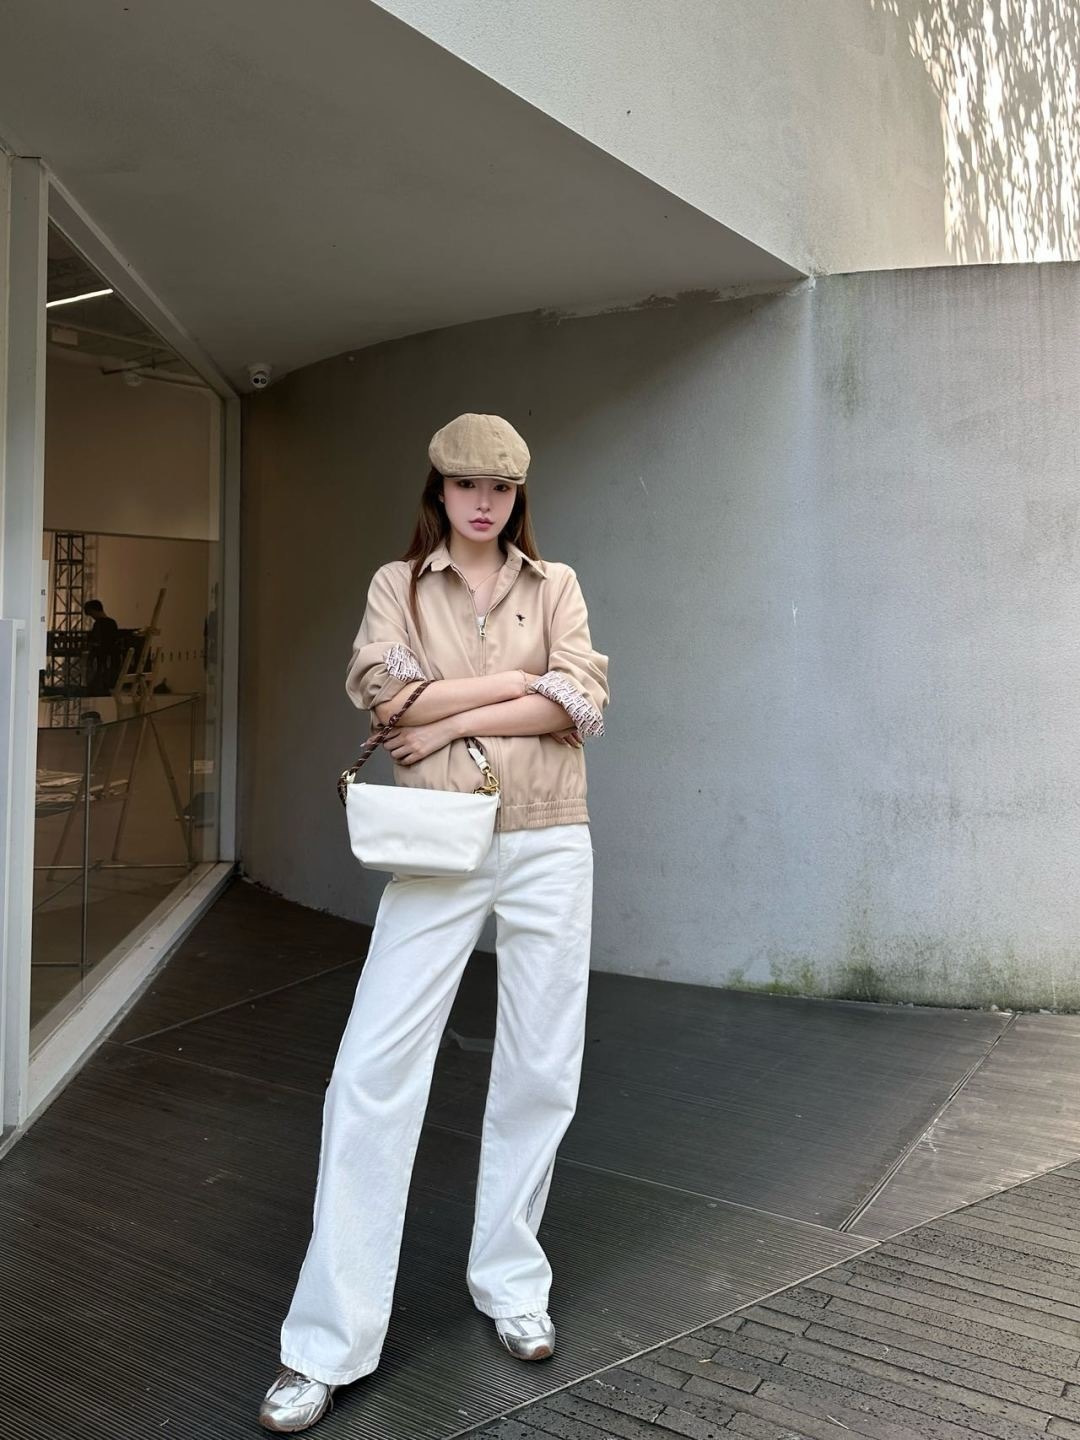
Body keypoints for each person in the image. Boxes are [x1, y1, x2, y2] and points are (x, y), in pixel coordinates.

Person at [259, 413, 610, 1433]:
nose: (483, 501)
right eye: (466, 484)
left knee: (542, 1068)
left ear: (518, 495)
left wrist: (452, 713)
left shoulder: (558, 585)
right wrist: (516, 685)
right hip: (438, 841)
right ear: (441, 491)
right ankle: (326, 1343)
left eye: (500, 487)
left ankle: (512, 1283)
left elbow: (579, 704)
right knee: (371, 1074)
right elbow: (388, 705)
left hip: (550, 840)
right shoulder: (397, 587)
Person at [82, 599, 121, 693]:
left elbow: (97, 641)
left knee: (97, 683)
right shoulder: (112, 622)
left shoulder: (99, 624)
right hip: (110, 658)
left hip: (101, 658)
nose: (92, 617)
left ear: (94, 611)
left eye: (91, 614)